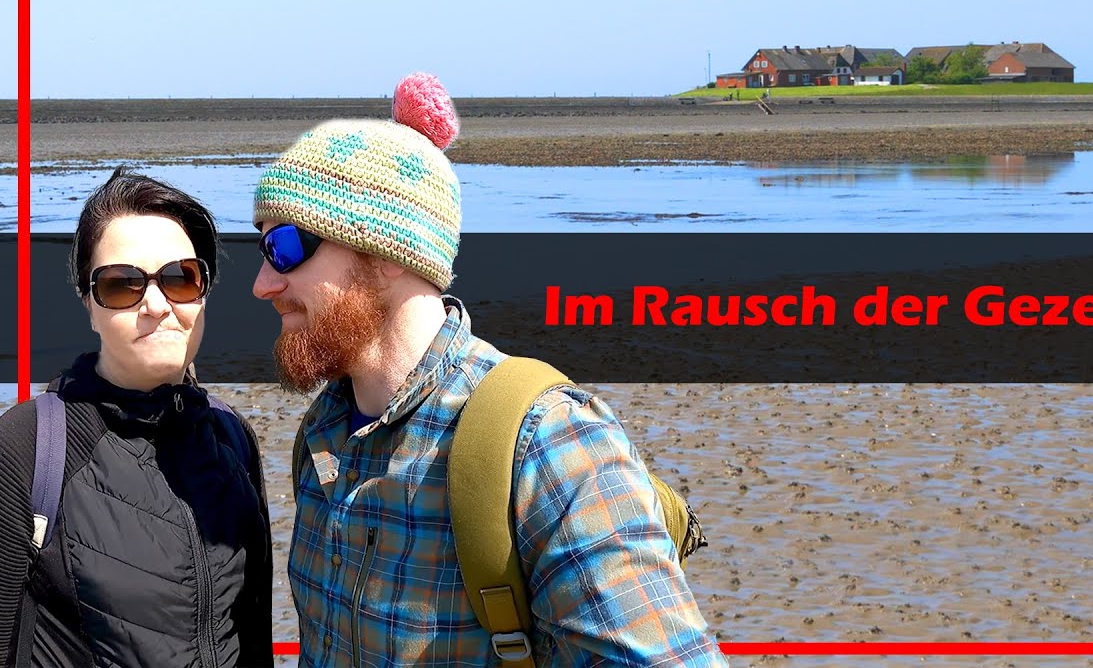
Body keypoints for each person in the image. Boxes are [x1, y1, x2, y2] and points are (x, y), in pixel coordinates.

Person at [252, 73, 728, 667]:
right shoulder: (323, 433)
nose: (263, 283)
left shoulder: (548, 441)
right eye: (260, 248)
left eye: (286, 249)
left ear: (384, 254)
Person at [0, 169, 274, 667]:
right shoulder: (27, 446)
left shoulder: (232, 436)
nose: (156, 305)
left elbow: (254, 638)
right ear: (88, 303)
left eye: (179, 278)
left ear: (204, 292)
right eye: (122, 284)